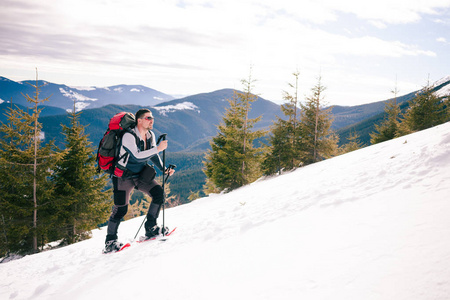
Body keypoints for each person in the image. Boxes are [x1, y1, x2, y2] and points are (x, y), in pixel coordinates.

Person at [104, 108, 175, 253]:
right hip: (122, 176)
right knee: (120, 209)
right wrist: (158, 149)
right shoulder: (128, 136)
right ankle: (110, 242)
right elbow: (136, 156)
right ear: (139, 120)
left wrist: (163, 169)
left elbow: (153, 155)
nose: (152, 120)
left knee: (158, 194)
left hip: (140, 175)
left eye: (152, 118)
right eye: (148, 118)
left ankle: (151, 228)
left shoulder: (150, 135)